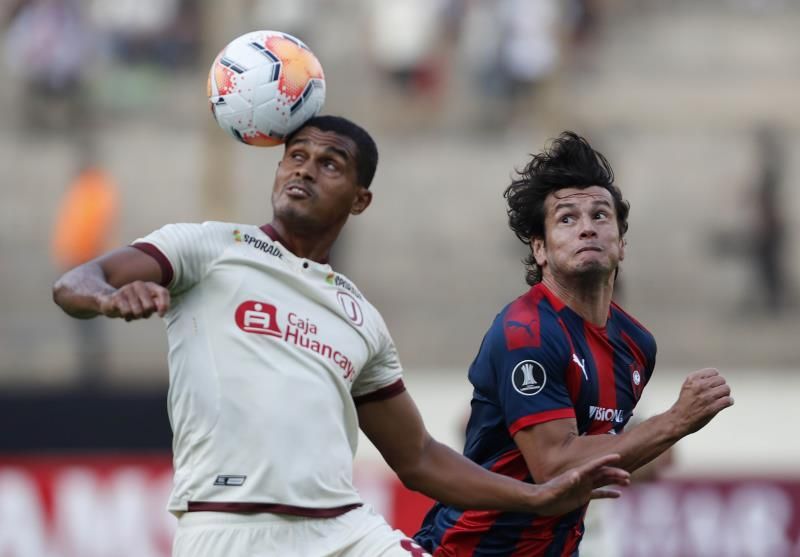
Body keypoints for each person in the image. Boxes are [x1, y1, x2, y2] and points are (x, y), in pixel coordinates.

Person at [52, 116, 630, 557]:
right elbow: (77, 282)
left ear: (360, 199)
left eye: (329, 163)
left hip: (341, 532)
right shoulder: (207, 248)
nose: (304, 168)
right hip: (229, 526)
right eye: (294, 156)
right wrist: (107, 297)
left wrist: (534, 497)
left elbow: (420, 456)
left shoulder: (359, 317)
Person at [414, 131, 734, 555]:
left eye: (601, 216)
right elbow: (554, 465)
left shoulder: (637, 345)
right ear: (540, 248)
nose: (587, 227)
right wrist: (674, 421)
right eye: (567, 218)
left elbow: (610, 448)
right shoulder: (526, 331)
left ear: (622, 244)